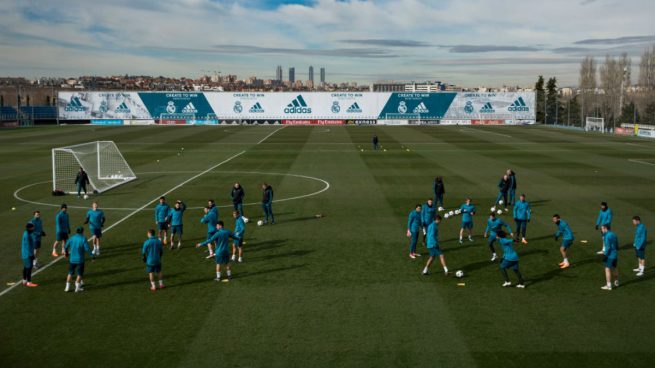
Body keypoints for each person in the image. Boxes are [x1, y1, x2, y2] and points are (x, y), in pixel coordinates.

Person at [64, 226, 94, 293]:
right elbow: (87, 249)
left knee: (70, 273)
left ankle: (67, 288)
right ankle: (77, 288)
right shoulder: (83, 239)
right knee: (80, 274)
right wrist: (92, 256)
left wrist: (66, 253)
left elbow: (66, 246)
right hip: (80, 260)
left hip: (72, 259)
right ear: (82, 231)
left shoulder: (72, 238)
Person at [600, 224, 619, 290]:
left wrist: (605, 255)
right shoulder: (613, 234)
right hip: (615, 254)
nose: (601, 230)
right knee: (615, 268)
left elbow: (608, 247)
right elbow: (617, 244)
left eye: (602, 228)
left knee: (607, 269)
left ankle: (609, 285)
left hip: (610, 255)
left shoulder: (607, 236)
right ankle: (616, 281)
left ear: (605, 228)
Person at [21, 223, 38, 287]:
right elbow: (28, 246)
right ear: (29, 228)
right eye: (32, 228)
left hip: (25, 253)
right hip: (27, 254)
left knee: (26, 267)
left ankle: (24, 280)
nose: (33, 229)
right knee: (29, 268)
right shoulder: (27, 235)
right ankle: (29, 282)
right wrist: (32, 255)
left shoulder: (26, 233)